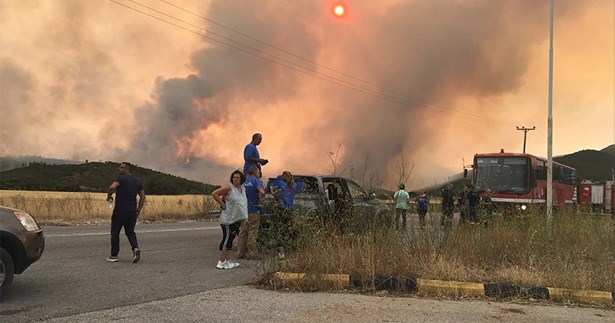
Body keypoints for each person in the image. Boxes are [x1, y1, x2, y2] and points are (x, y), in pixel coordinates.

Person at [106, 162, 145, 263]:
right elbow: (142, 197)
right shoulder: (137, 181)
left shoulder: (120, 179)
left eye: (122, 167)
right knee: (130, 232)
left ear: (127, 169)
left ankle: (114, 255)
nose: (119, 169)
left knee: (115, 232)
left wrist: (109, 197)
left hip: (120, 210)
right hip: (132, 211)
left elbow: (112, 187)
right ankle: (135, 248)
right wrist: (138, 210)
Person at [211, 170, 248, 269]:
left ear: (241, 179)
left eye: (238, 177)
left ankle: (228, 260)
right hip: (228, 219)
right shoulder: (229, 188)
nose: (235, 179)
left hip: (237, 218)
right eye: (234, 177)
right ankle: (221, 261)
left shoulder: (242, 189)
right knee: (226, 239)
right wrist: (222, 204)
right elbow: (214, 193)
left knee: (231, 239)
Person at [270, 171, 301, 259]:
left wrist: (273, 192)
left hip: (281, 210)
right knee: (289, 230)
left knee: (279, 231)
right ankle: (294, 247)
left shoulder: (280, 184)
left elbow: (274, 193)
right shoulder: (294, 185)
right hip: (289, 210)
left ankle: (281, 253)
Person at [236, 166, 265, 260]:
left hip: (243, 210)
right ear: (255, 172)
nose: (259, 174)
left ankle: (240, 252)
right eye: (258, 172)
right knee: (252, 232)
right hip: (253, 210)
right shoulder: (257, 181)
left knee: (243, 232)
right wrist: (261, 202)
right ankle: (252, 253)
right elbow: (262, 192)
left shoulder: (243, 182)